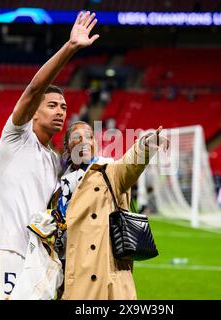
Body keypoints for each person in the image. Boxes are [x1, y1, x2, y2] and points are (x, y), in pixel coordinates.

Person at [0, 11, 100, 300]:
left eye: (64, 107)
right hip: (7, 249)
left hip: (39, 263)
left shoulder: (55, 162)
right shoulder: (16, 137)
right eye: (52, 105)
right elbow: (35, 88)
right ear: (34, 111)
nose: (60, 111)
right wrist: (70, 48)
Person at [47, 121, 168, 300]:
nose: (84, 142)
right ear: (67, 146)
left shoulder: (108, 171)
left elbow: (129, 165)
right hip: (69, 275)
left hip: (104, 277)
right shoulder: (60, 188)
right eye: (76, 138)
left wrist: (145, 147)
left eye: (89, 137)